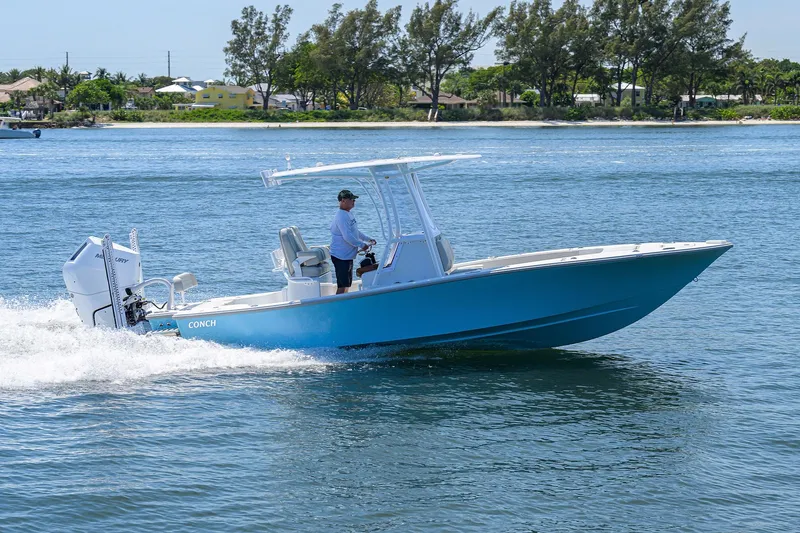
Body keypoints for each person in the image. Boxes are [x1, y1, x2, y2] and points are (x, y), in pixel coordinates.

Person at [330, 189, 376, 294]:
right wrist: (362, 245)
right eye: (352, 200)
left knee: (347, 284)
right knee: (343, 285)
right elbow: (347, 236)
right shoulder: (341, 216)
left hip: (347, 256)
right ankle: (339, 305)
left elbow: (355, 232)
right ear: (343, 200)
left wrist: (368, 239)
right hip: (340, 256)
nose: (354, 202)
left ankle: (342, 302)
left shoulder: (348, 214)